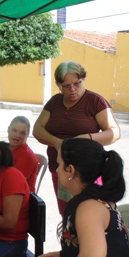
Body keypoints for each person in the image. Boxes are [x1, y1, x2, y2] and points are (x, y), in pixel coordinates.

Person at [33, 61, 121, 215]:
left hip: (88, 171)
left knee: (90, 212)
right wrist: (57, 143)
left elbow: (114, 132)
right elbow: (37, 129)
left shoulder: (95, 101)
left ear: (83, 80)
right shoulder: (55, 102)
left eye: (77, 83)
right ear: (59, 85)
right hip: (60, 169)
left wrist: (86, 138)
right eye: (66, 86)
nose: (72, 89)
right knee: (67, 212)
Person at [7, 116, 39, 193]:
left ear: (27, 135)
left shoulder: (26, 155)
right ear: (8, 130)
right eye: (14, 130)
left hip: (19, 195)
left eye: (22, 133)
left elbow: (15, 183)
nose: (17, 135)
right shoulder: (4, 148)